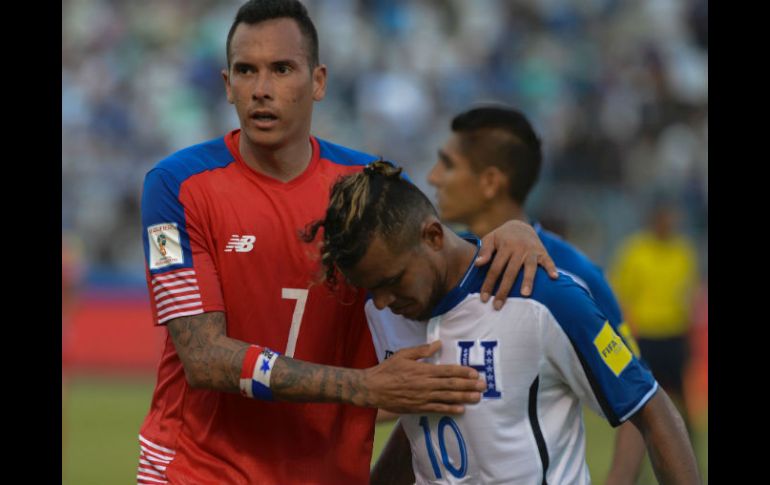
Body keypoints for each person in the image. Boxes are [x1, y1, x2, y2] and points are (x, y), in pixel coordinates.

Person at [137, 2, 556, 484]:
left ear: (318, 82)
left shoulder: (364, 186)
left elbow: (438, 280)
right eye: (246, 71)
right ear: (227, 84)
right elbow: (204, 359)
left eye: (282, 69)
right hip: (196, 469)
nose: (261, 89)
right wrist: (363, 387)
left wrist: (507, 233)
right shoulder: (176, 184)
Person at [304, 161, 700, 484]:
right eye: (372, 288)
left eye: (393, 281)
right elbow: (421, 432)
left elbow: (651, 409)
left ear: (434, 237)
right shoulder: (382, 309)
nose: (383, 301)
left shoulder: (543, 298)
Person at [424, 105, 648, 483]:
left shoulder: (573, 273)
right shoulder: (440, 265)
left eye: (447, 164)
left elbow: (638, 396)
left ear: (490, 182)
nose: (433, 177)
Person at [609, 196, 699, 433]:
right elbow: (620, 293)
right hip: (646, 335)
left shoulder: (683, 252)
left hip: (675, 334)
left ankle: (687, 446)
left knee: (681, 398)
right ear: (654, 220)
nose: (669, 223)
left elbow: (690, 295)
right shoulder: (635, 251)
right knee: (643, 400)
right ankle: (643, 448)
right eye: (665, 218)